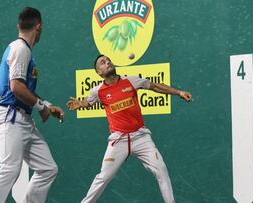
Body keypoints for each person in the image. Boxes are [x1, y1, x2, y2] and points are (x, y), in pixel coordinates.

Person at [66, 55, 192, 203]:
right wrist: (80, 104)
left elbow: (155, 86)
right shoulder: (97, 91)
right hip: (118, 141)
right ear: (99, 72)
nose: (107, 63)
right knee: (104, 177)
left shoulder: (131, 81)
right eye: (103, 62)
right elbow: (89, 101)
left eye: (108, 60)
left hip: (141, 137)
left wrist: (178, 92)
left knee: (161, 169)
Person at [0, 7, 64, 203]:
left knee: (48, 168)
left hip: (24, 120)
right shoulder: (20, 48)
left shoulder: (23, 50)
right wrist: (41, 107)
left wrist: (46, 104)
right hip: (11, 118)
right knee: (10, 169)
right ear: (39, 26)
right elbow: (16, 88)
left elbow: (25, 89)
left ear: (19, 25)